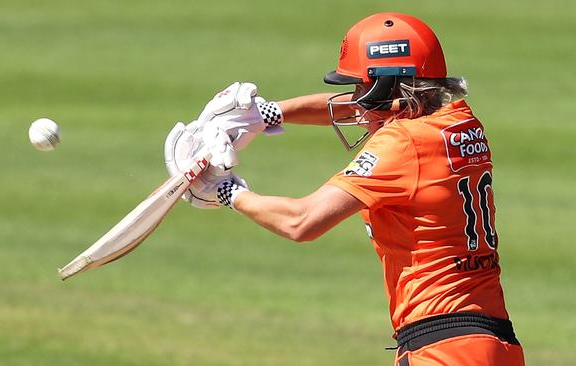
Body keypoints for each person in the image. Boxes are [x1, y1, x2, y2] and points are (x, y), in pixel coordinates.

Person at [165, 12, 525, 366]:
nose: (356, 98)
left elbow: (301, 222)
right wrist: (268, 114)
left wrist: (226, 191)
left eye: (362, 86)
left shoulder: (402, 143)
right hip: (497, 344)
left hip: (442, 350)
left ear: (388, 86)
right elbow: (360, 108)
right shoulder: (459, 122)